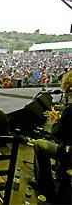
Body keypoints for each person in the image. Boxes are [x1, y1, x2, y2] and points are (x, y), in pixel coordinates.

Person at [31, 69, 72, 202]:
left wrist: (55, 122)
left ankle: (44, 184)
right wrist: (62, 120)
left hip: (68, 153)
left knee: (39, 144)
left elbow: (59, 135)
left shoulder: (70, 110)